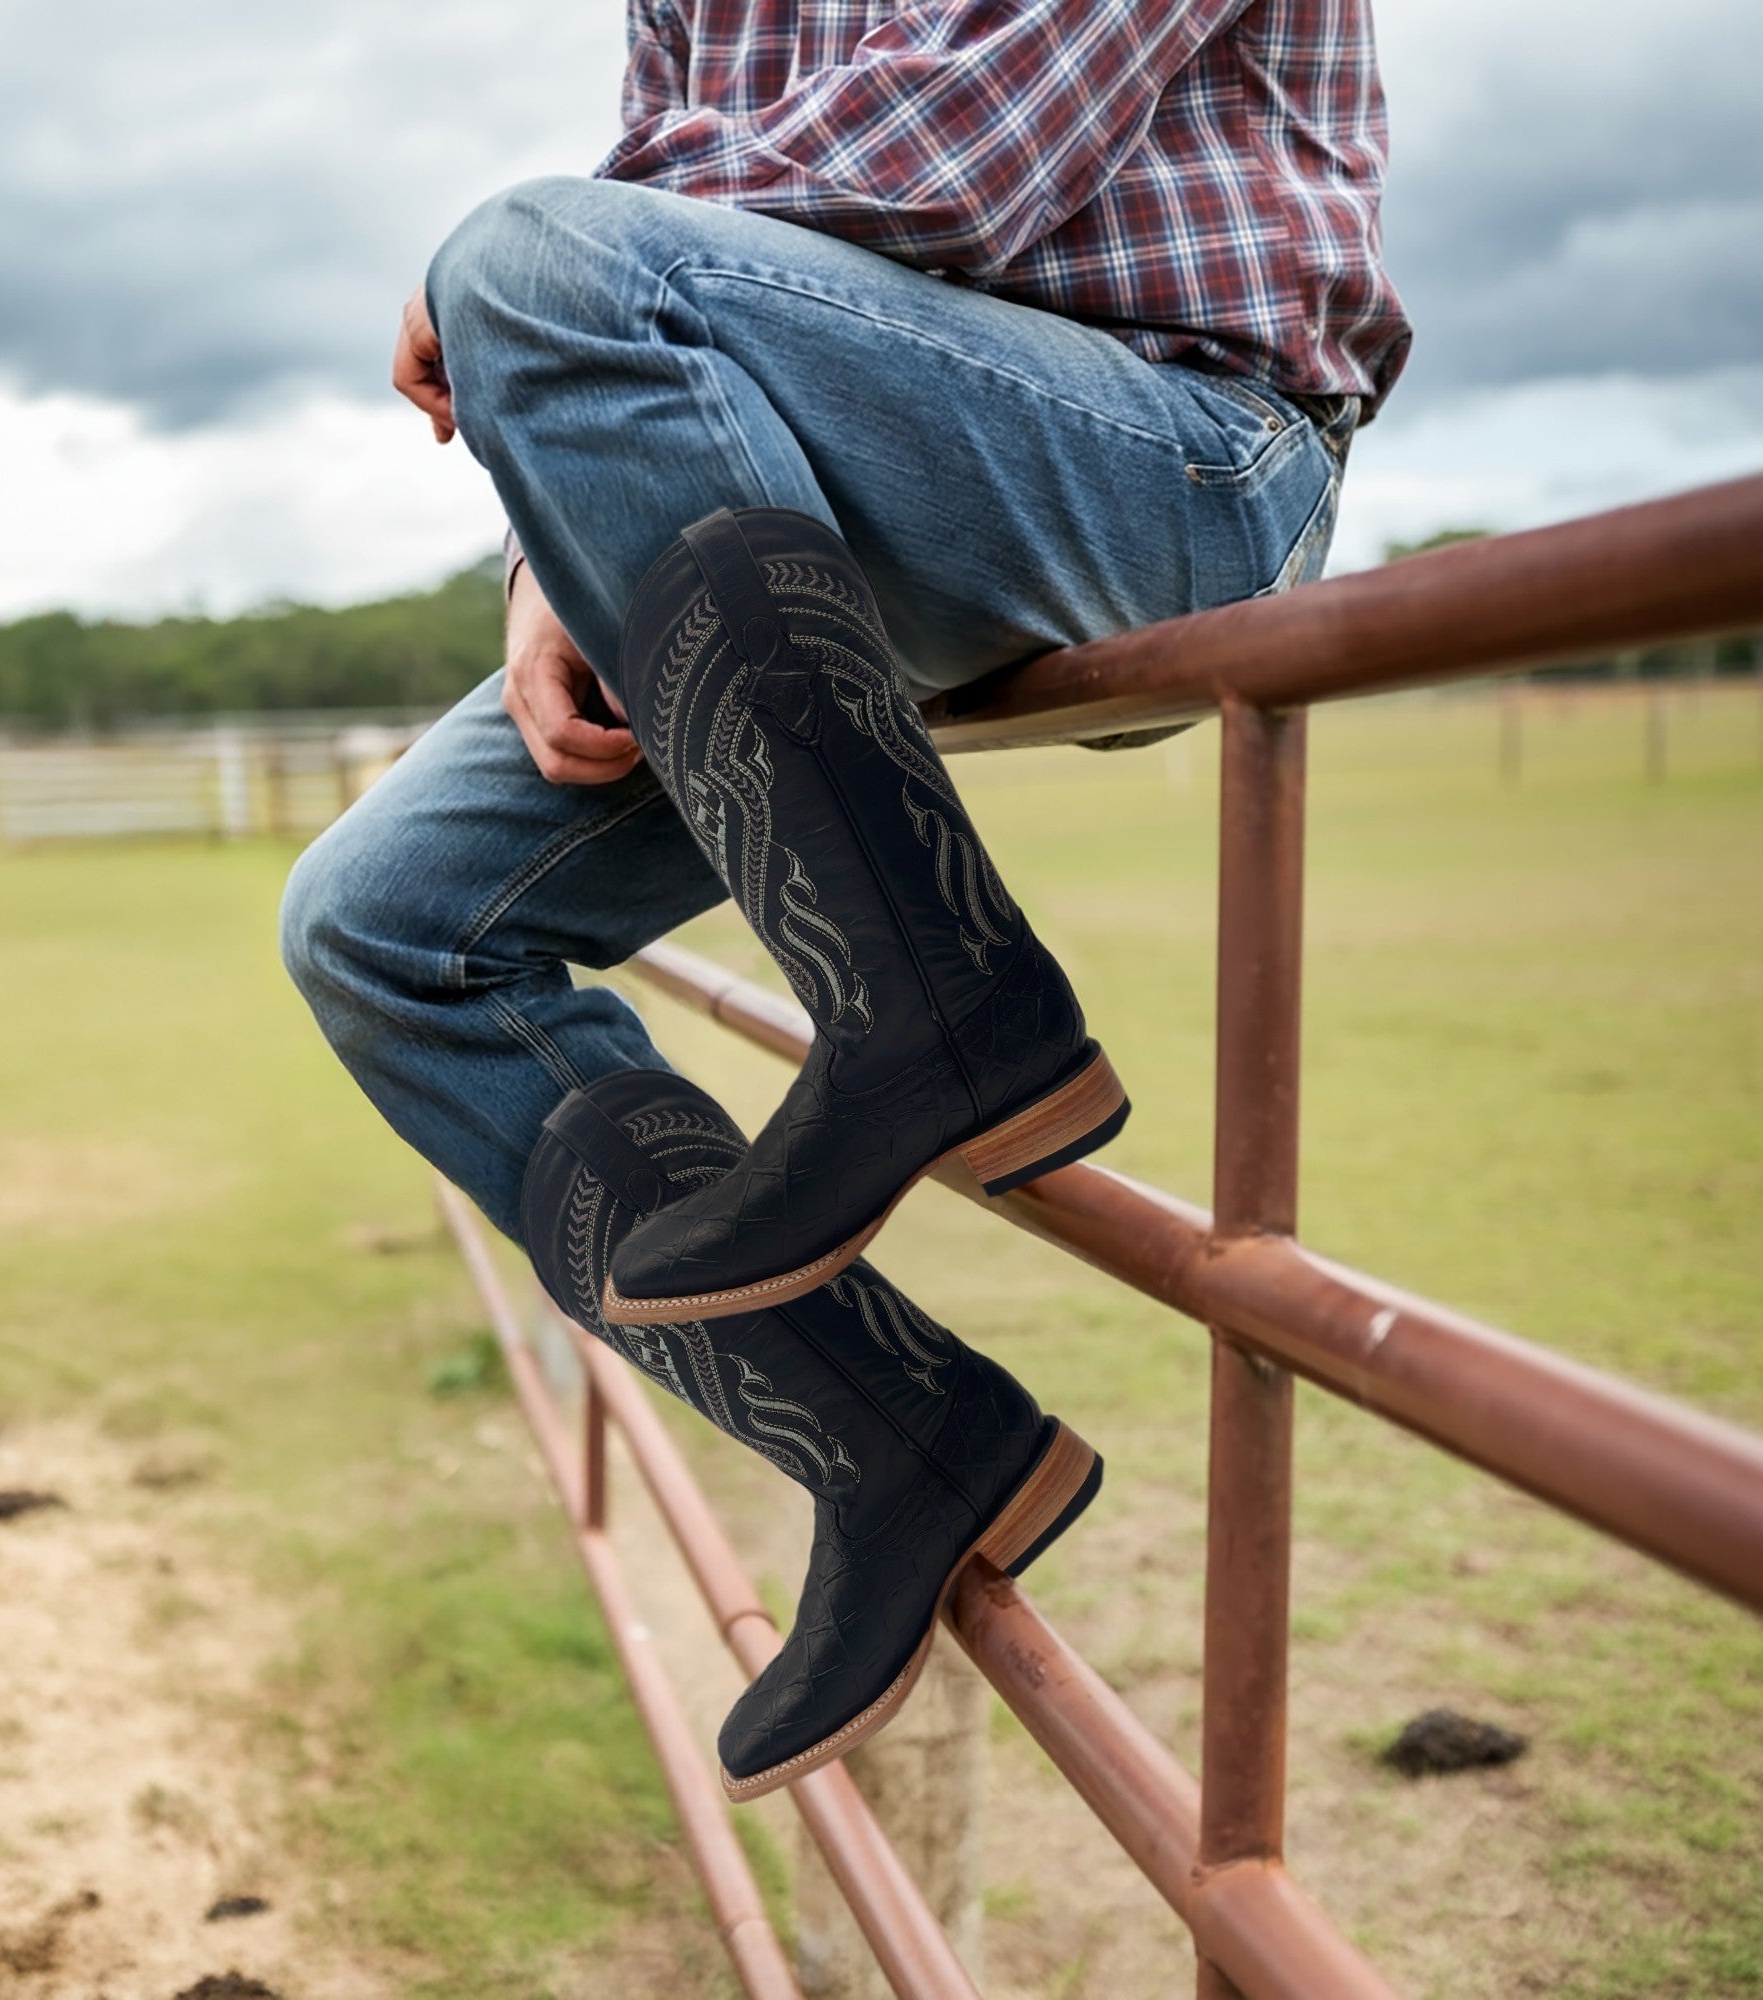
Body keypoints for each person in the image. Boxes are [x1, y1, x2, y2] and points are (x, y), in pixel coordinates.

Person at [283, 0, 1408, 1796]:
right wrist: (554, 544)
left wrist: (510, 299)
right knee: (384, 921)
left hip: (1186, 452)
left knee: (528, 251)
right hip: (816, 466)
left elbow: (960, 157)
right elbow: (663, 238)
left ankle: (945, 1011)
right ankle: (895, 1440)